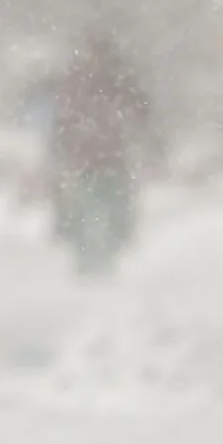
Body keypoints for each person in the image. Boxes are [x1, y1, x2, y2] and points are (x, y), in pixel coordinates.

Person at [50, 31, 152, 274]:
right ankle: (88, 262)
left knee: (111, 213)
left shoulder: (116, 82)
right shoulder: (83, 82)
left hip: (108, 162)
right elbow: (63, 119)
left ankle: (106, 260)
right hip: (88, 163)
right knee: (86, 214)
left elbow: (140, 112)